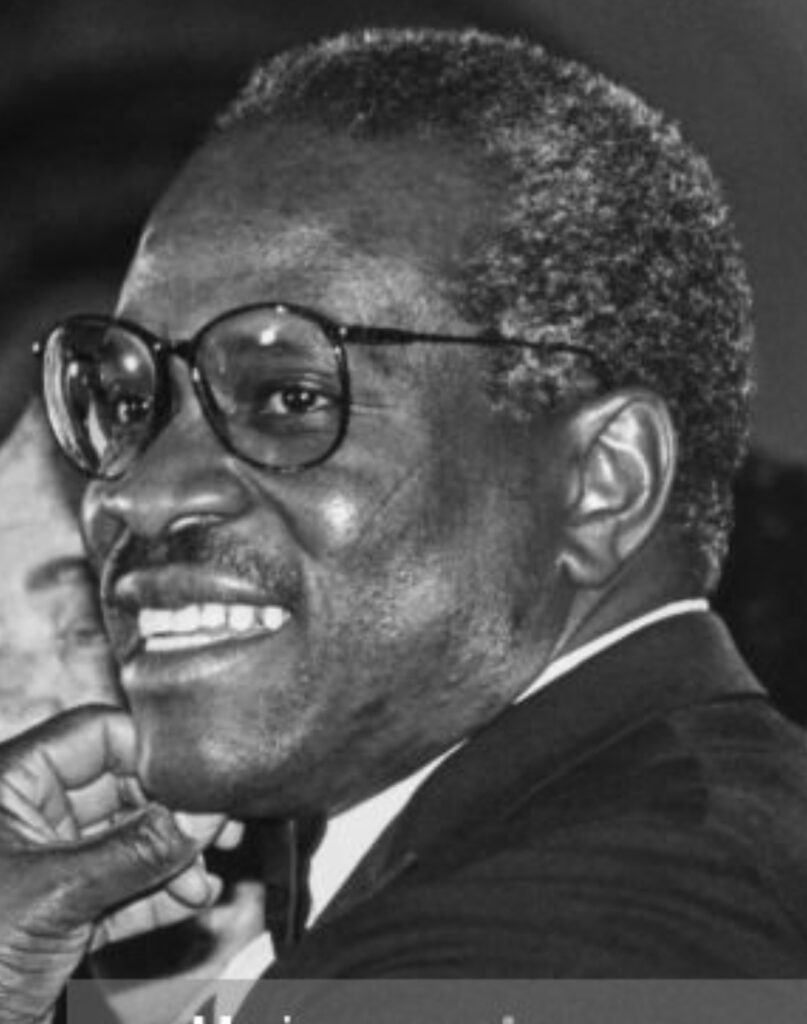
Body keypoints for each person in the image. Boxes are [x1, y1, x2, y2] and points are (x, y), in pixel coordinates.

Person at [3, 26, 807, 1020]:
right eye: (132, 403)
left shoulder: (552, 940)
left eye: (292, 397)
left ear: (603, 480)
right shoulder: (575, 852)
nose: (136, 494)